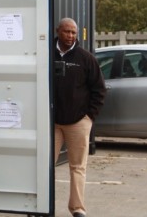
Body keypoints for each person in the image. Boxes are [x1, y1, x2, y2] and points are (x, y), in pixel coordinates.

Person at [54, 17, 106, 217]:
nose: (70, 36)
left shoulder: (85, 58)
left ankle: (77, 208)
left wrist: (89, 117)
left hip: (78, 122)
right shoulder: (47, 54)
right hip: (52, 123)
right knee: (45, 166)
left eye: (73, 32)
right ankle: (41, 205)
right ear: (58, 31)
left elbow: (99, 89)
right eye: (66, 31)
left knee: (77, 167)